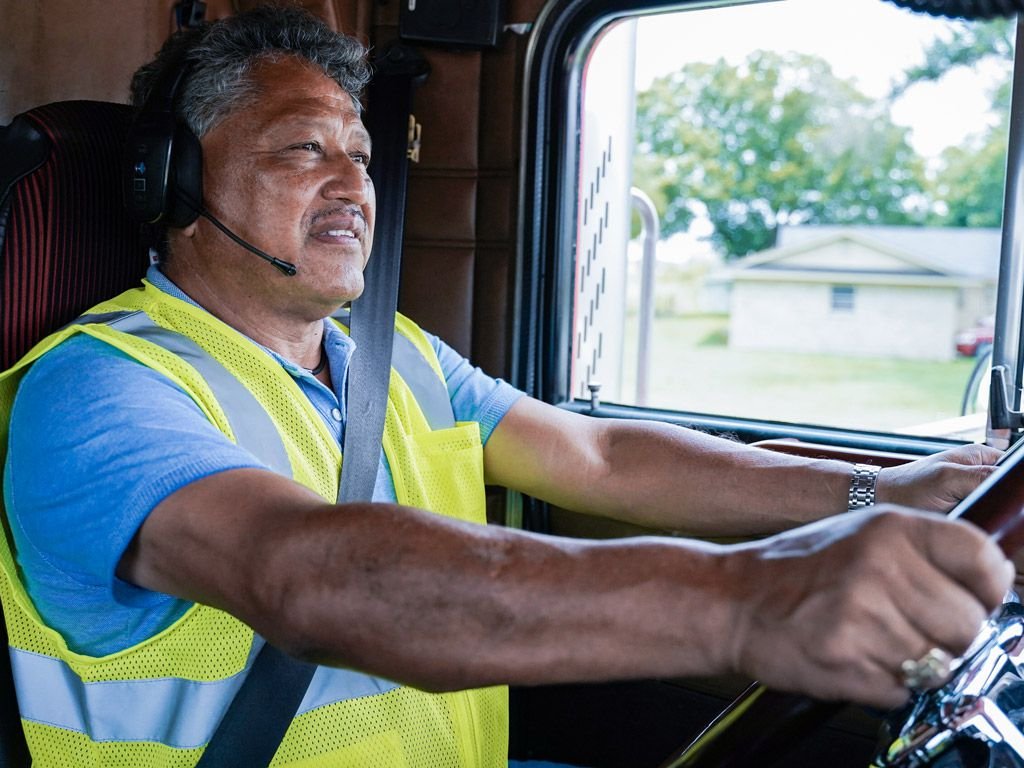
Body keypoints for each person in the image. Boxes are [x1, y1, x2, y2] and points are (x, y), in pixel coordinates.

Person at [0, 5, 1013, 766]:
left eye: (360, 155)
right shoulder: (99, 391)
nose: (354, 185)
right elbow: (302, 574)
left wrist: (881, 488)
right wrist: (748, 603)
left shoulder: (387, 353)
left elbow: (600, 455)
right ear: (171, 181)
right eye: (304, 148)